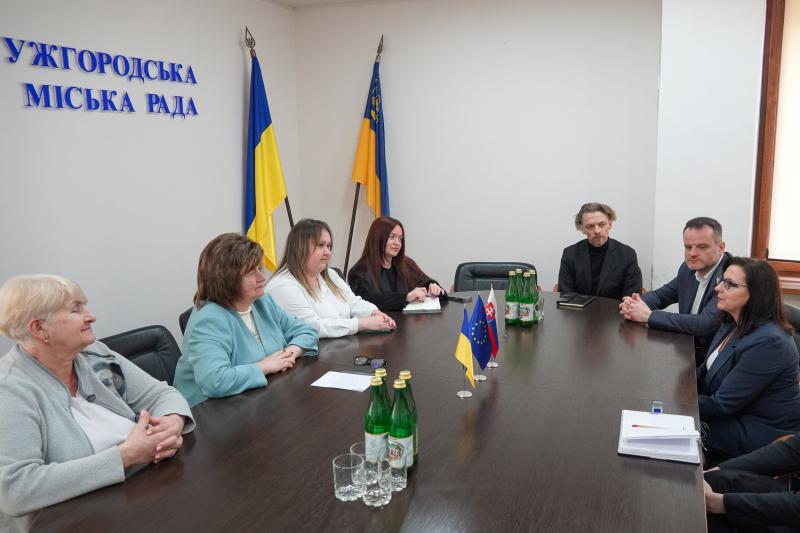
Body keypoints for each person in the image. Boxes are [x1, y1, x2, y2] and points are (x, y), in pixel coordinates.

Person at [0, 274, 195, 532]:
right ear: (38, 328)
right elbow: (16, 489)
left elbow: (163, 394)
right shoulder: (9, 388)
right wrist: (125, 456)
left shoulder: (95, 354)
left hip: (144, 493)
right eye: (75, 309)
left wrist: (171, 423)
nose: (90, 316)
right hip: (72, 522)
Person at [173, 233, 318, 407]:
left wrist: (289, 353)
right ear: (227, 279)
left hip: (258, 399)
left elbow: (306, 331)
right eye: (251, 272)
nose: (262, 277)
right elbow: (215, 381)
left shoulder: (262, 302)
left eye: (259, 268)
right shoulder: (208, 320)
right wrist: (264, 366)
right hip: (210, 411)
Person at [698, 257, 800, 463]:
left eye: (729, 284)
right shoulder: (732, 320)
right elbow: (705, 373)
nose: (718, 288)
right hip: (729, 414)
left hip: (755, 430)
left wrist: (676, 404)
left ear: (755, 294)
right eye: (721, 280)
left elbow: (722, 405)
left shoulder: (770, 342)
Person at [620, 217, 731, 364]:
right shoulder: (687, 268)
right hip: (685, 350)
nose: (692, 253)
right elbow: (662, 295)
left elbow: (704, 324)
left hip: (711, 361)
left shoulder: (730, 276)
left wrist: (649, 316)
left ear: (721, 247)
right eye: (688, 247)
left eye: (702, 247)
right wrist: (634, 304)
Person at [267, 219, 396, 338]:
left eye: (329, 246)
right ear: (300, 247)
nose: (328, 252)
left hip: (341, 347)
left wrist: (373, 312)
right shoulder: (283, 285)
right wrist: (361, 324)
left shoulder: (331, 275)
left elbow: (353, 302)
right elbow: (312, 327)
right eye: (321, 245)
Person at [704, 433, 800, 533]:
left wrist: (720, 503)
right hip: (787, 487)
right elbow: (790, 451)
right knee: (718, 482)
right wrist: (715, 471)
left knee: (719, 520)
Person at [348, 216, 445, 311]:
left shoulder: (406, 263)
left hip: (409, 320)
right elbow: (367, 301)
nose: (397, 243)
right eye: (392, 237)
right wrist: (405, 297)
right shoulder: (359, 271)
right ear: (378, 238)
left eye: (400, 239)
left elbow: (424, 281)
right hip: (381, 321)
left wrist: (432, 287)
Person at [558, 202, 642, 300]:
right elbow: (566, 294)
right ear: (582, 228)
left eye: (602, 224)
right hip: (579, 309)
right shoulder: (570, 254)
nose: (597, 231)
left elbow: (630, 298)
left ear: (610, 224)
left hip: (615, 309)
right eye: (590, 226)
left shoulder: (627, 255)